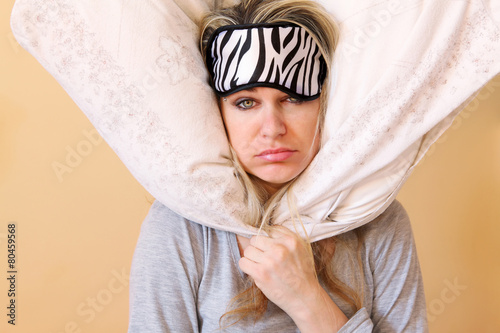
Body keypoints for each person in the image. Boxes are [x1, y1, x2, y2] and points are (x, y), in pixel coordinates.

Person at [128, 0, 428, 332]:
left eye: (293, 98)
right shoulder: (181, 227)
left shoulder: (380, 221)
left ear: (325, 104)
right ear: (218, 114)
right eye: (246, 102)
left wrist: (307, 299)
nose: (272, 128)